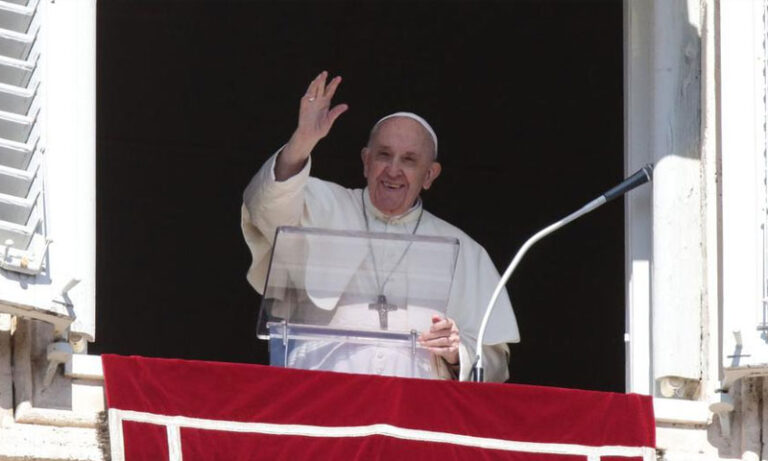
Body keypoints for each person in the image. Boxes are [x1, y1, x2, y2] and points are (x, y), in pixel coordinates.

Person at [242, 71, 519, 381]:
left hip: (412, 404)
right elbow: (263, 206)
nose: (393, 170)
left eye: (409, 160)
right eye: (384, 155)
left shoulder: (466, 251)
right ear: (366, 161)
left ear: (430, 175)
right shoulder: (322, 204)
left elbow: (495, 365)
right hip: (322, 394)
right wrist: (302, 141)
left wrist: (457, 353)